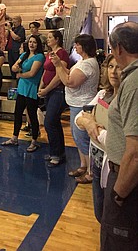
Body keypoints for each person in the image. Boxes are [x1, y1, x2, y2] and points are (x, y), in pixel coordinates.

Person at [100, 22, 138, 249]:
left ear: (119, 49)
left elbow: (135, 153)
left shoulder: (133, 83)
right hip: (124, 175)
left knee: (117, 240)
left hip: (127, 180)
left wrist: (119, 194)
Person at [77, 54, 117, 222]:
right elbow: (78, 119)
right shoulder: (102, 94)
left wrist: (93, 126)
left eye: (119, 67)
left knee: (111, 214)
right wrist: (91, 123)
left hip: (114, 165)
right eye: (111, 67)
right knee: (99, 210)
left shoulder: (126, 100)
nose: (114, 72)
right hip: (97, 160)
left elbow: (115, 141)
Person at [54, 34, 100, 184]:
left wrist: (58, 66)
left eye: (77, 44)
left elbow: (69, 81)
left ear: (84, 46)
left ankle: (91, 172)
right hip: (76, 103)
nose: (75, 46)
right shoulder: (84, 61)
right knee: (77, 138)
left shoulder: (87, 64)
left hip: (82, 104)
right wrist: (61, 66)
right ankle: (83, 165)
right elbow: (70, 74)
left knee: (82, 140)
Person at [4, 34, 45, 152]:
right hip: (22, 87)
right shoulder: (24, 55)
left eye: (34, 42)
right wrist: (16, 68)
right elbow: (14, 66)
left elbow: (32, 73)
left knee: (32, 115)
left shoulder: (40, 57)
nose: (31, 44)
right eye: (30, 42)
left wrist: (20, 74)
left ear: (38, 44)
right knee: (17, 113)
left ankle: (34, 140)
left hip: (32, 88)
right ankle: (14, 138)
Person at [37, 30, 71, 167]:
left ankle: (56, 154)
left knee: (50, 122)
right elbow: (46, 70)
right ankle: (56, 152)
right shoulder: (48, 54)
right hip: (48, 91)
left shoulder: (62, 53)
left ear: (57, 39)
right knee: (54, 122)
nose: (48, 39)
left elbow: (59, 75)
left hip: (57, 91)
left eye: (50, 37)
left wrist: (47, 89)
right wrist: (41, 86)